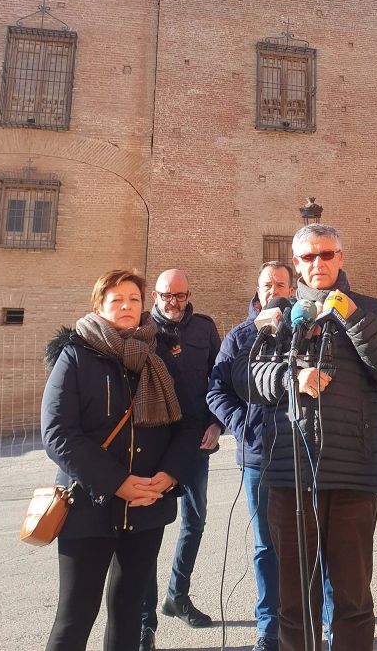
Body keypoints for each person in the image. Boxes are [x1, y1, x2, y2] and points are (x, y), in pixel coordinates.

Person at [232, 224, 377, 651]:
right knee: (295, 604)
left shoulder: (371, 310)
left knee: (352, 599)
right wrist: (289, 376)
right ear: (295, 264)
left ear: (341, 257)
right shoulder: (278, 313)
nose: (318, 263)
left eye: (326, 254)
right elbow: (244, 375)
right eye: (308, 257)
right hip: (288, 474)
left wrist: (353, 319)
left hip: (352, 472)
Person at [41, 269, 194, 651]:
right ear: (99, 306)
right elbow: (59, 433)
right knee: (75, 617)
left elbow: (188, 424)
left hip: (146, 508)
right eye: (117, 299)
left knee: (128, 616)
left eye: (134, 299)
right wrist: (117, 483)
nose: (127, 306)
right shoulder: (75, 356)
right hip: (89, 507)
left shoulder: (159, 357)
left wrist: (168, 475)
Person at [207, 260, 295, 651]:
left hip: (303, 453)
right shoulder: (240, 336)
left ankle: (324, 625)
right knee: (265, 545)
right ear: (257, 291)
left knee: (314, 543)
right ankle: (269, 627)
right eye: (265, 284)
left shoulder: (307, 332)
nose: (272, 289)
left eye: (279, 283)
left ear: (291, 290)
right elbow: (216, 391)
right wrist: (244, 425)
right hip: (258, 457)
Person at [140, 269, 222, 651]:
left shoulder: (204, 329)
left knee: (195, 521)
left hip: (195, 444)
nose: (174, 303)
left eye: (180, 295)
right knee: (146, 531)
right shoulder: (142, 332)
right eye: (166, 295)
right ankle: (144, 621)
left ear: (189, 295)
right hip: (154, 446)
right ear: (155, 296)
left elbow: (218, 379)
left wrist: (217, 424)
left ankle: (178, 594)